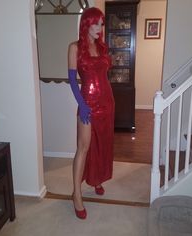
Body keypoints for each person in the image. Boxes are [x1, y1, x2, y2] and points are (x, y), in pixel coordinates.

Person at [67, 7, 115, 219]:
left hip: (107, 102)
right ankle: (76, 194)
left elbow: (104, 77)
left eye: (102, 24)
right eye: (95, 23)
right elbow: (72, 80)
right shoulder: (74, 48)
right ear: (86, 24)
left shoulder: (103, 48)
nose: (99, 28)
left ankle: (97, 179)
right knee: (84, 147)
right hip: (87, 103)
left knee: (102, 143)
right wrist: (82, 104)